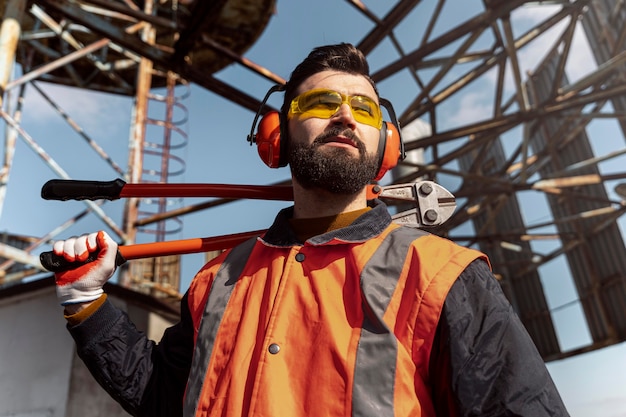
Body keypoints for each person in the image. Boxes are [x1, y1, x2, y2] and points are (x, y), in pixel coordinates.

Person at [51, 43, 569, 417]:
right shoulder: (216, 283)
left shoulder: (444, 277)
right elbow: (162, 399)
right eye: (321, 104)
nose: (344, 114)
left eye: (363, 108)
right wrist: (85, 304)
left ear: (385, 145)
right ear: (276, 139)